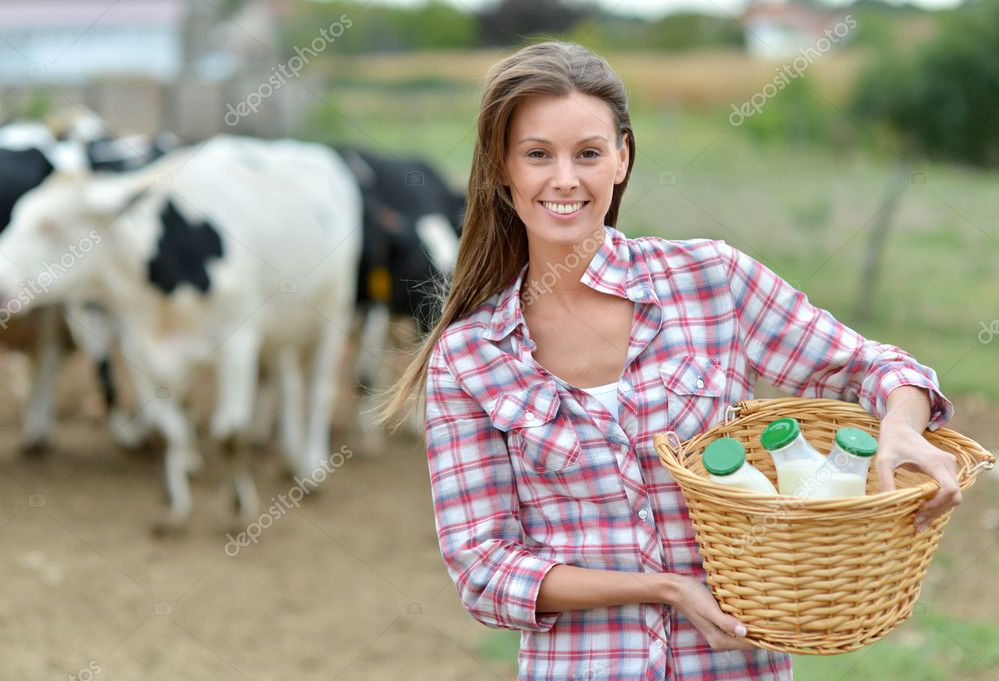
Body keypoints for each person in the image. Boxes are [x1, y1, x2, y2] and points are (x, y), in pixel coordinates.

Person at [374, 41, 962, 681]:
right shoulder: (471, 356)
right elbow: (484, 570)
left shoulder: (710, 280)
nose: (565, 179)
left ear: (622, 158)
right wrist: (665, 588)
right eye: (538, 154)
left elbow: (876, 367)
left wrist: (902, 425)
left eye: (589, 153)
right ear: (501, 168)